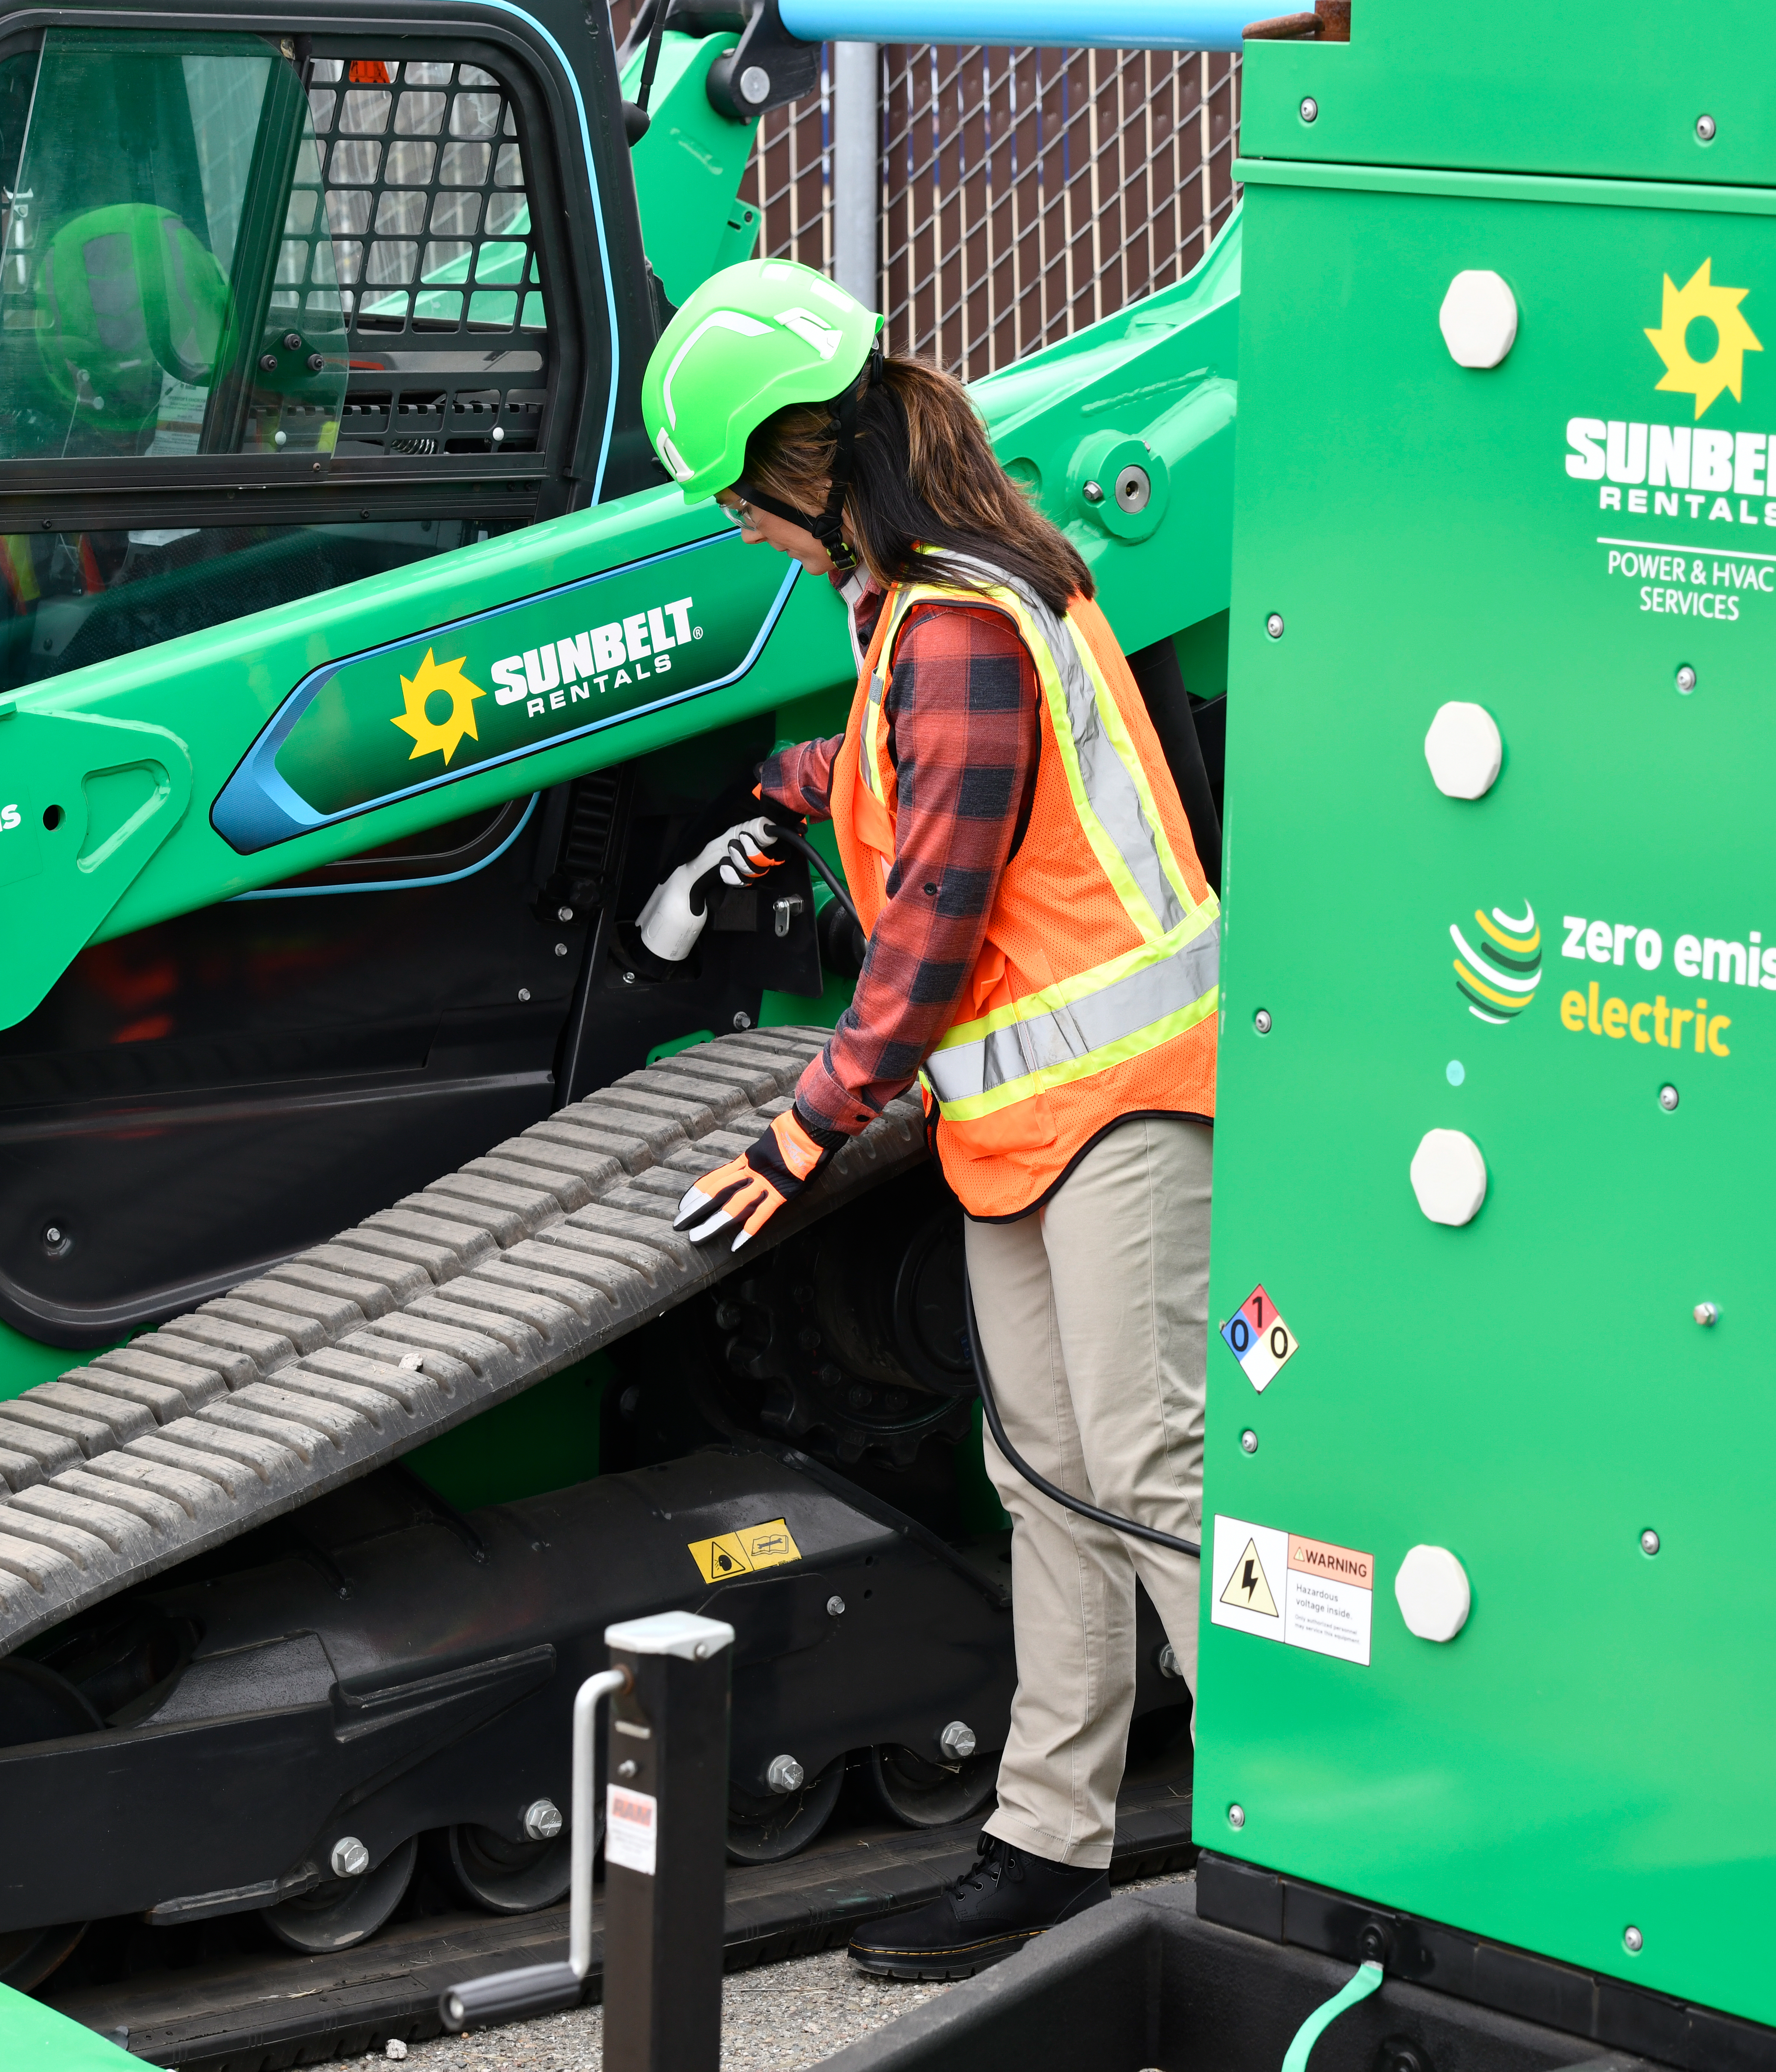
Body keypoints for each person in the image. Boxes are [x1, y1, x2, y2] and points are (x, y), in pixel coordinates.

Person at [634, 257, 1219, 1979]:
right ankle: (1048, 1842)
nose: (739, 529)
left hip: (1123, 1101)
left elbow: (938, 918)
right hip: (1022, 1117)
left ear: (803, 467)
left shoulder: (959, 616)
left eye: (739, 499)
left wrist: (799, 1129)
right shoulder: (907, 610)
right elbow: (915, 779)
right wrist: (789, 786)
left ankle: (1306, 1827)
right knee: (1046, 1478)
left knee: (1150, 1467)